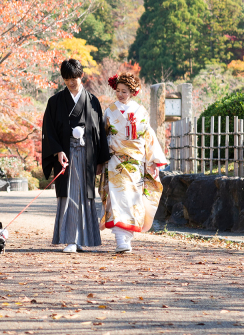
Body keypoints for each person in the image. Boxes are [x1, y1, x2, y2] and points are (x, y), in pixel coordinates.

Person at [41, 58, 110, 253]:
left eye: (75, 77)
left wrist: (99, 161)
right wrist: (58, 151)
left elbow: (99, 133)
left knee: (85, 196)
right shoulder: (54, 102)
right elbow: (49, 130)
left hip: (87, 155)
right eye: (67, 78)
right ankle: (71, 239)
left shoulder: (93, 101)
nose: (72, 82)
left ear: (82, 76)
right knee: (69, 194)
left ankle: (83, 239)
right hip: (66, 153)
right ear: (63, 79)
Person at [99, 72, 168, 253]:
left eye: (124, 91)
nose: (120, 94)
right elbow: (101, 136)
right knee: (117, 199)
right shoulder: (109, 110)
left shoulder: (140, 111)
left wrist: (153, 162)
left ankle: (127, 239)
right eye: (118, 90)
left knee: (133, 200)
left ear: (132, 92)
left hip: (135, 163)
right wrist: (100, 159)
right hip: (115, 161)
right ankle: (121, 240)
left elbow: (149, 136)